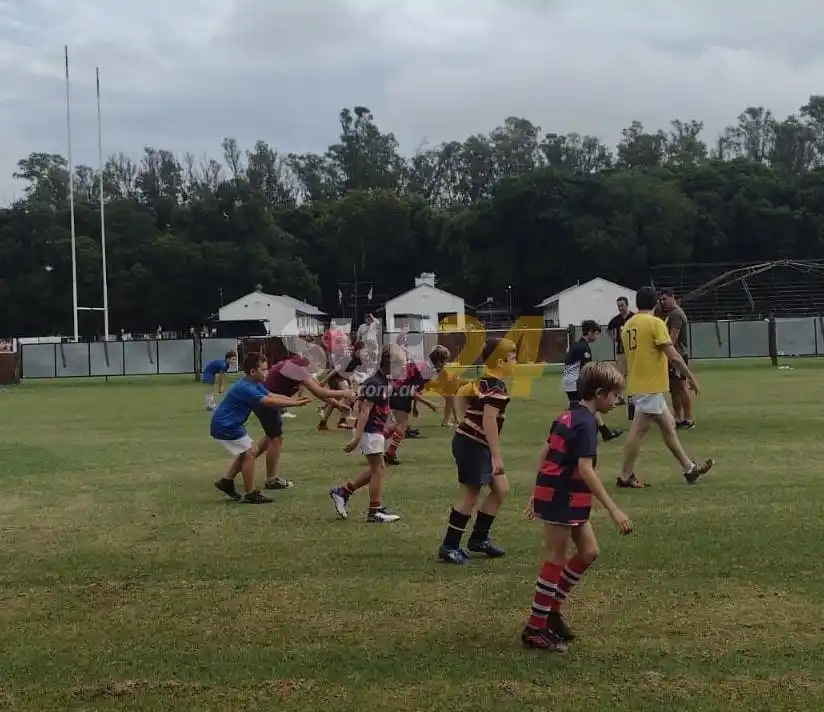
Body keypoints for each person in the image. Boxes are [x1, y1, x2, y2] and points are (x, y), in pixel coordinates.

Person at [522, 362, 633, 651]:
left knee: (589, 552)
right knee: (556, 558)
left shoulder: (570, 414)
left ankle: (552, 610)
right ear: (599, 393)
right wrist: (613, 509)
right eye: (614, 395)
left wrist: (537, 491)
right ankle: (535, 628)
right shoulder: (586, 424)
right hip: (562, 495)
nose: (617, 400)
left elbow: (546, 451)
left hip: (565, 494)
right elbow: (586, 469)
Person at [617, 286, 713, 489]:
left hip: (641, 385)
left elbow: (625, 358)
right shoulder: (655, 323)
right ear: (655, 303)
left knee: (669, 426)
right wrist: (690, 377)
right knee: (637, 432)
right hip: (650, 386)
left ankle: (689, 469)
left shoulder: (628, 325)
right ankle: (625, 475)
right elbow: (674, 356)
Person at [437, 338, 517, 565]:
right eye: (512, 357)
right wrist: (496, 456)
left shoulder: (485, 382)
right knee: (470, 495)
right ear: (500, 362)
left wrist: (466, 420)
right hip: (472, 445)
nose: (515, 361)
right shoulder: (496, 387)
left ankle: (479, 539)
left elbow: (462, 395)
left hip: (474, 443)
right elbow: (489, 421)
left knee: (501, 488)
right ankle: (449, 546)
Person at [212, 353, 312, 504]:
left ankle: (226, 482)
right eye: (264, 369)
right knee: (250, 453)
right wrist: (295, 404)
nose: (267, 372)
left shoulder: (254, 383)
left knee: (247, 453)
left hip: (230, 424)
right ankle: (250, 493)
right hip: (226, 425)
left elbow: (271, 395)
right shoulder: (246, 388)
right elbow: (268, 402)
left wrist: (294, 400)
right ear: (253, 371)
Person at [252, 352, 357, 490]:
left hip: (267, 400)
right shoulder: (298, 369)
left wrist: (338, 405)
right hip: (266, 401)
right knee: (276, 438)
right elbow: (320, 392)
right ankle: (271, 479)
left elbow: (318, 391)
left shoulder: (299, 366)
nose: (319, 368)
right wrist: (344, 393)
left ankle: (247, 460)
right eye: (319, 365)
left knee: (271, 437)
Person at [329, 346, 401, 523]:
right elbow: (364, 411)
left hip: (375, 430)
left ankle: (343, 492)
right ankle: (373, 512)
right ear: (389, 363)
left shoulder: (382, 380)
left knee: (377, 469)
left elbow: (369, 404)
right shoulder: (375, 382)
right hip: (370, 430)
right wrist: (357, 438)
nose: (402, 367)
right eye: (400, 364)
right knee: (378, 470)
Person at [383, 345, 450, 466]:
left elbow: (415, 389)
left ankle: (378, 444)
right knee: (401, 426)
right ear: (439, 361)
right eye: (445, 362)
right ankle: (385, 450)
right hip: (400, 393)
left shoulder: (427, 367)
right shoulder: (426, 370)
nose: (445, 364)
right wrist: (430, 403)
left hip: (400, 392)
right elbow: (411, 390)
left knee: (398, 426)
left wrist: (414, 407)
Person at [562, 320, 623, 442]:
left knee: (585, 406)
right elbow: (587, 369)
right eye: (596, 333)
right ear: (589, 332)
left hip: (569, 382)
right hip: (574, 383)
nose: (597, 337)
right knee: (586, 406)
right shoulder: (583, 348)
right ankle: (576, 431)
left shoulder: (577, 345)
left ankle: (604, 432)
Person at [657, 289, 694, 429]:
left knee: (682, 387)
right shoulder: (666, 313)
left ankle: (688, 418)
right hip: (670, 356)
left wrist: (664, 350)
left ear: (673, 297)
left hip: (678, 355)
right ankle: (677, 418)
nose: (663, 302)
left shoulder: (676, 314)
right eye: (661, 299)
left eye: (665, 299)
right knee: (673, 389)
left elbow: (673, 337)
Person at [317, 341, 363, 431]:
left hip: (340, 377)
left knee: (335, 401)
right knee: (347, 396)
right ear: (357, 350)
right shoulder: (348, 359)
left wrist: (350, 384)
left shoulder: (358, 360)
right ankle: (342, 421)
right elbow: (335, 370)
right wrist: (324, 381)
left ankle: (322, 423)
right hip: (333, 377)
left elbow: (348, 373)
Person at [607, 296, 634, 406]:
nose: (620, 308)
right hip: (621, 350)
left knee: (632, 373)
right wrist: (614, 338)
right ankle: (620, 397)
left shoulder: (633, 317)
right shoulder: (616, 319)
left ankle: (633, 396)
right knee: (621, 375)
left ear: (627, 305)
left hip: (633, 350)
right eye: (618, 306)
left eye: (622, 305)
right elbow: (608, 329)